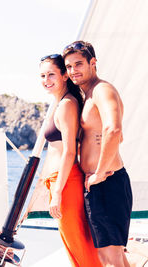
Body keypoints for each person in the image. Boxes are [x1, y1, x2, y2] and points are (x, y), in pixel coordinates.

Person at [62, 40, 133, 267]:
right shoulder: (89, 95)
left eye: (79, 64)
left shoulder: (102, 90)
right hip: (103, 183)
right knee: (116, 257)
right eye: (69, 66)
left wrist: (99, 173)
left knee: (109, 259)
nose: (73, 71)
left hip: (107, 182)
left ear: (93, 63)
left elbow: (114, 129)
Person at [40, 53, 101, 267]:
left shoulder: (67, 104)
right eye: (42, 76)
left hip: (65, 183)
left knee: (80, 247)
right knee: (72, 246)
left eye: (51, 74)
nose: (46, 80)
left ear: (64, 75)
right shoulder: (60, 103)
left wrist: (57, 192)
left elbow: (68, 151)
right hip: (58, 181)